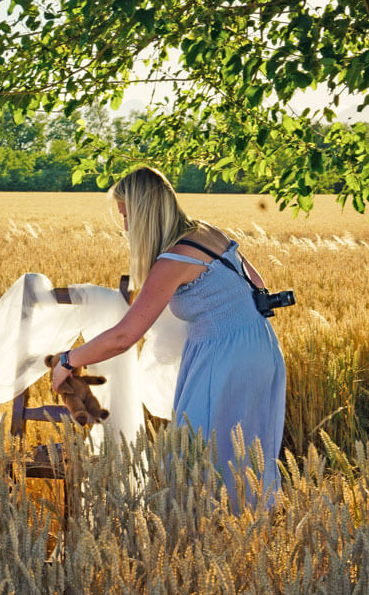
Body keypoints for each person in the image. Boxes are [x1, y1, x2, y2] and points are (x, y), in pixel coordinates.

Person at [50, 166, 287, 506]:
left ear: (145, 214)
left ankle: (203, 540)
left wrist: (68, 360)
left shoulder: (173, 259)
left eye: (127, 216)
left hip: (223, 359)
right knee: (245, 455)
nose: (127, 227)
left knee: (194, 459)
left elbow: (124, 336)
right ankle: (244, 538)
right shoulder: (207, 233)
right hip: (261, 347)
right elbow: (259, 284)